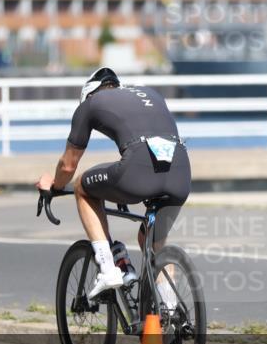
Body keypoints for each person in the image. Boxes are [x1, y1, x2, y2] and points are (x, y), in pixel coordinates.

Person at [35, 67, 191, 302]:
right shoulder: (150, 93)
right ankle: (171, 310)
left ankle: (108, 269)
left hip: (137, 171)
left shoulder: (89, 104)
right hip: (180, 172)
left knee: (81, 186)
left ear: (89, 94)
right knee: (154, 243)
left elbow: (68, 165)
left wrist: (54, 185)